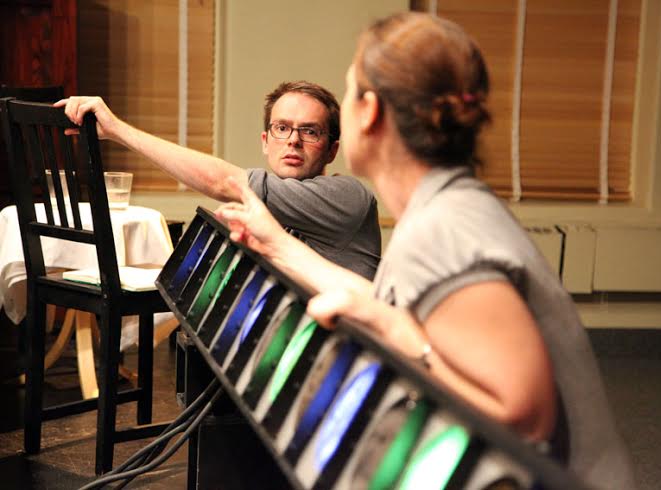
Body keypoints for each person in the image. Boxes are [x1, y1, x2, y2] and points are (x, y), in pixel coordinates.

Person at [214, 12, 635, 490]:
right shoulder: (445, 205)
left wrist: (400, 332)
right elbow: (395, 305)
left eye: (349, 91)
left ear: (369, 112)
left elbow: (524, 418)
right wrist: (277, 245)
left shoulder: (442, 230)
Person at [56, 81, 381, 279]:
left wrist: (116, 130)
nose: (293, 140)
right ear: (265, 141)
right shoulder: (266, 210)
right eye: (282, 128)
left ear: (332, 150)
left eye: (310, 131)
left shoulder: (348, 196)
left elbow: (224, 182)